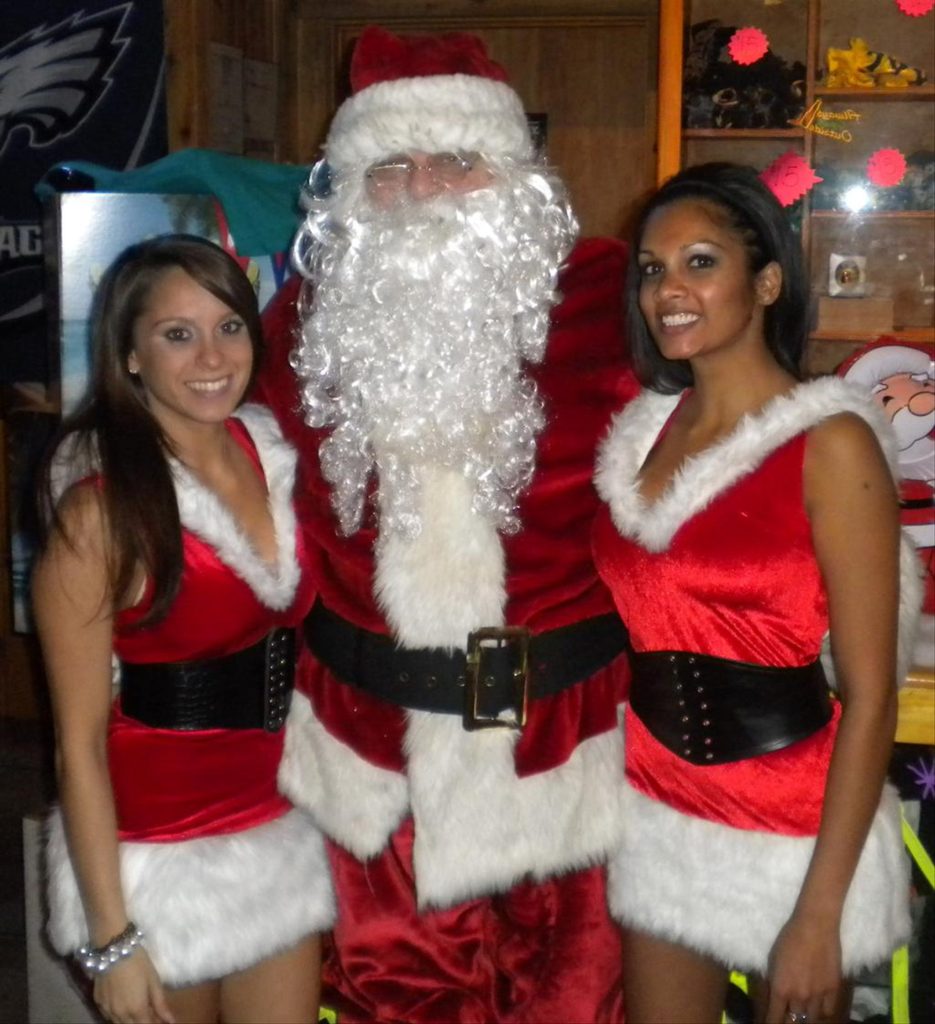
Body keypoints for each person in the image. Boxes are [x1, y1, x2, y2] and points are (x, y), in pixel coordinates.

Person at [255, 25, 640, 1024]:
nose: (422, 186)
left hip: (566, 756)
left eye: (457, 161)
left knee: (577, 1004)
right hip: (370, 761)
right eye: (390, 165)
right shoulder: (298, 324)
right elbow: (205, 473)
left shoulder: (615, 294)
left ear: (511, 177)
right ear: (350, 187)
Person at [592, 162, 919, 1024]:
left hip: (797, 835)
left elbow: (872, 693)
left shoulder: (832, 442)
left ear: (766, 280)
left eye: (700, 262)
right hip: (653, 809)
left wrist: (819, 916)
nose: (668, 290)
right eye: (652, 269)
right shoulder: (637, 435)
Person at [33, 236, 335, 1024]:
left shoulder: (274, 458)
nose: (211, 356)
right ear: (129, 355)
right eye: (177, 333)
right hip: (152, 858)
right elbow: (77, 745)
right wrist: (112, 939)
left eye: (229, 326)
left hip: (278, 829)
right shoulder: (99, 515)